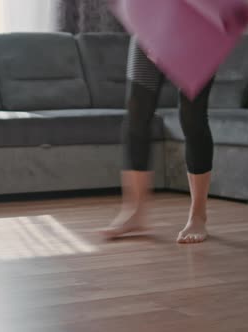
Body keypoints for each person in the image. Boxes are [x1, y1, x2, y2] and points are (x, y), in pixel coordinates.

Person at [102, 38, 214, 244]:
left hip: (198, 32)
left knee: (192, 116)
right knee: (137, 112)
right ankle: (134, 212)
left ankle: (198, 215)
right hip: (151, 26)